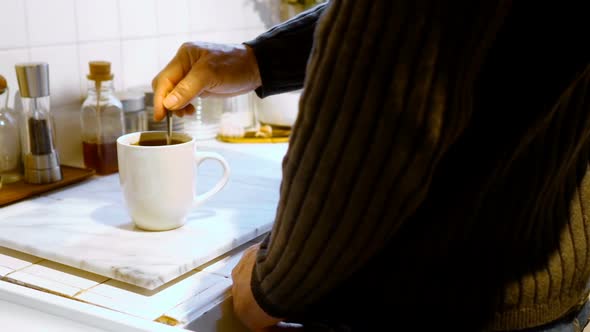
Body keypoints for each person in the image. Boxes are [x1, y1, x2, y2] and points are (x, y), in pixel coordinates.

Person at [152, 0, 590, 330]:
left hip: (437, 305)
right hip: (547, 281)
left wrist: (275, 285)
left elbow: (390, 74)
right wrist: (258, 58)